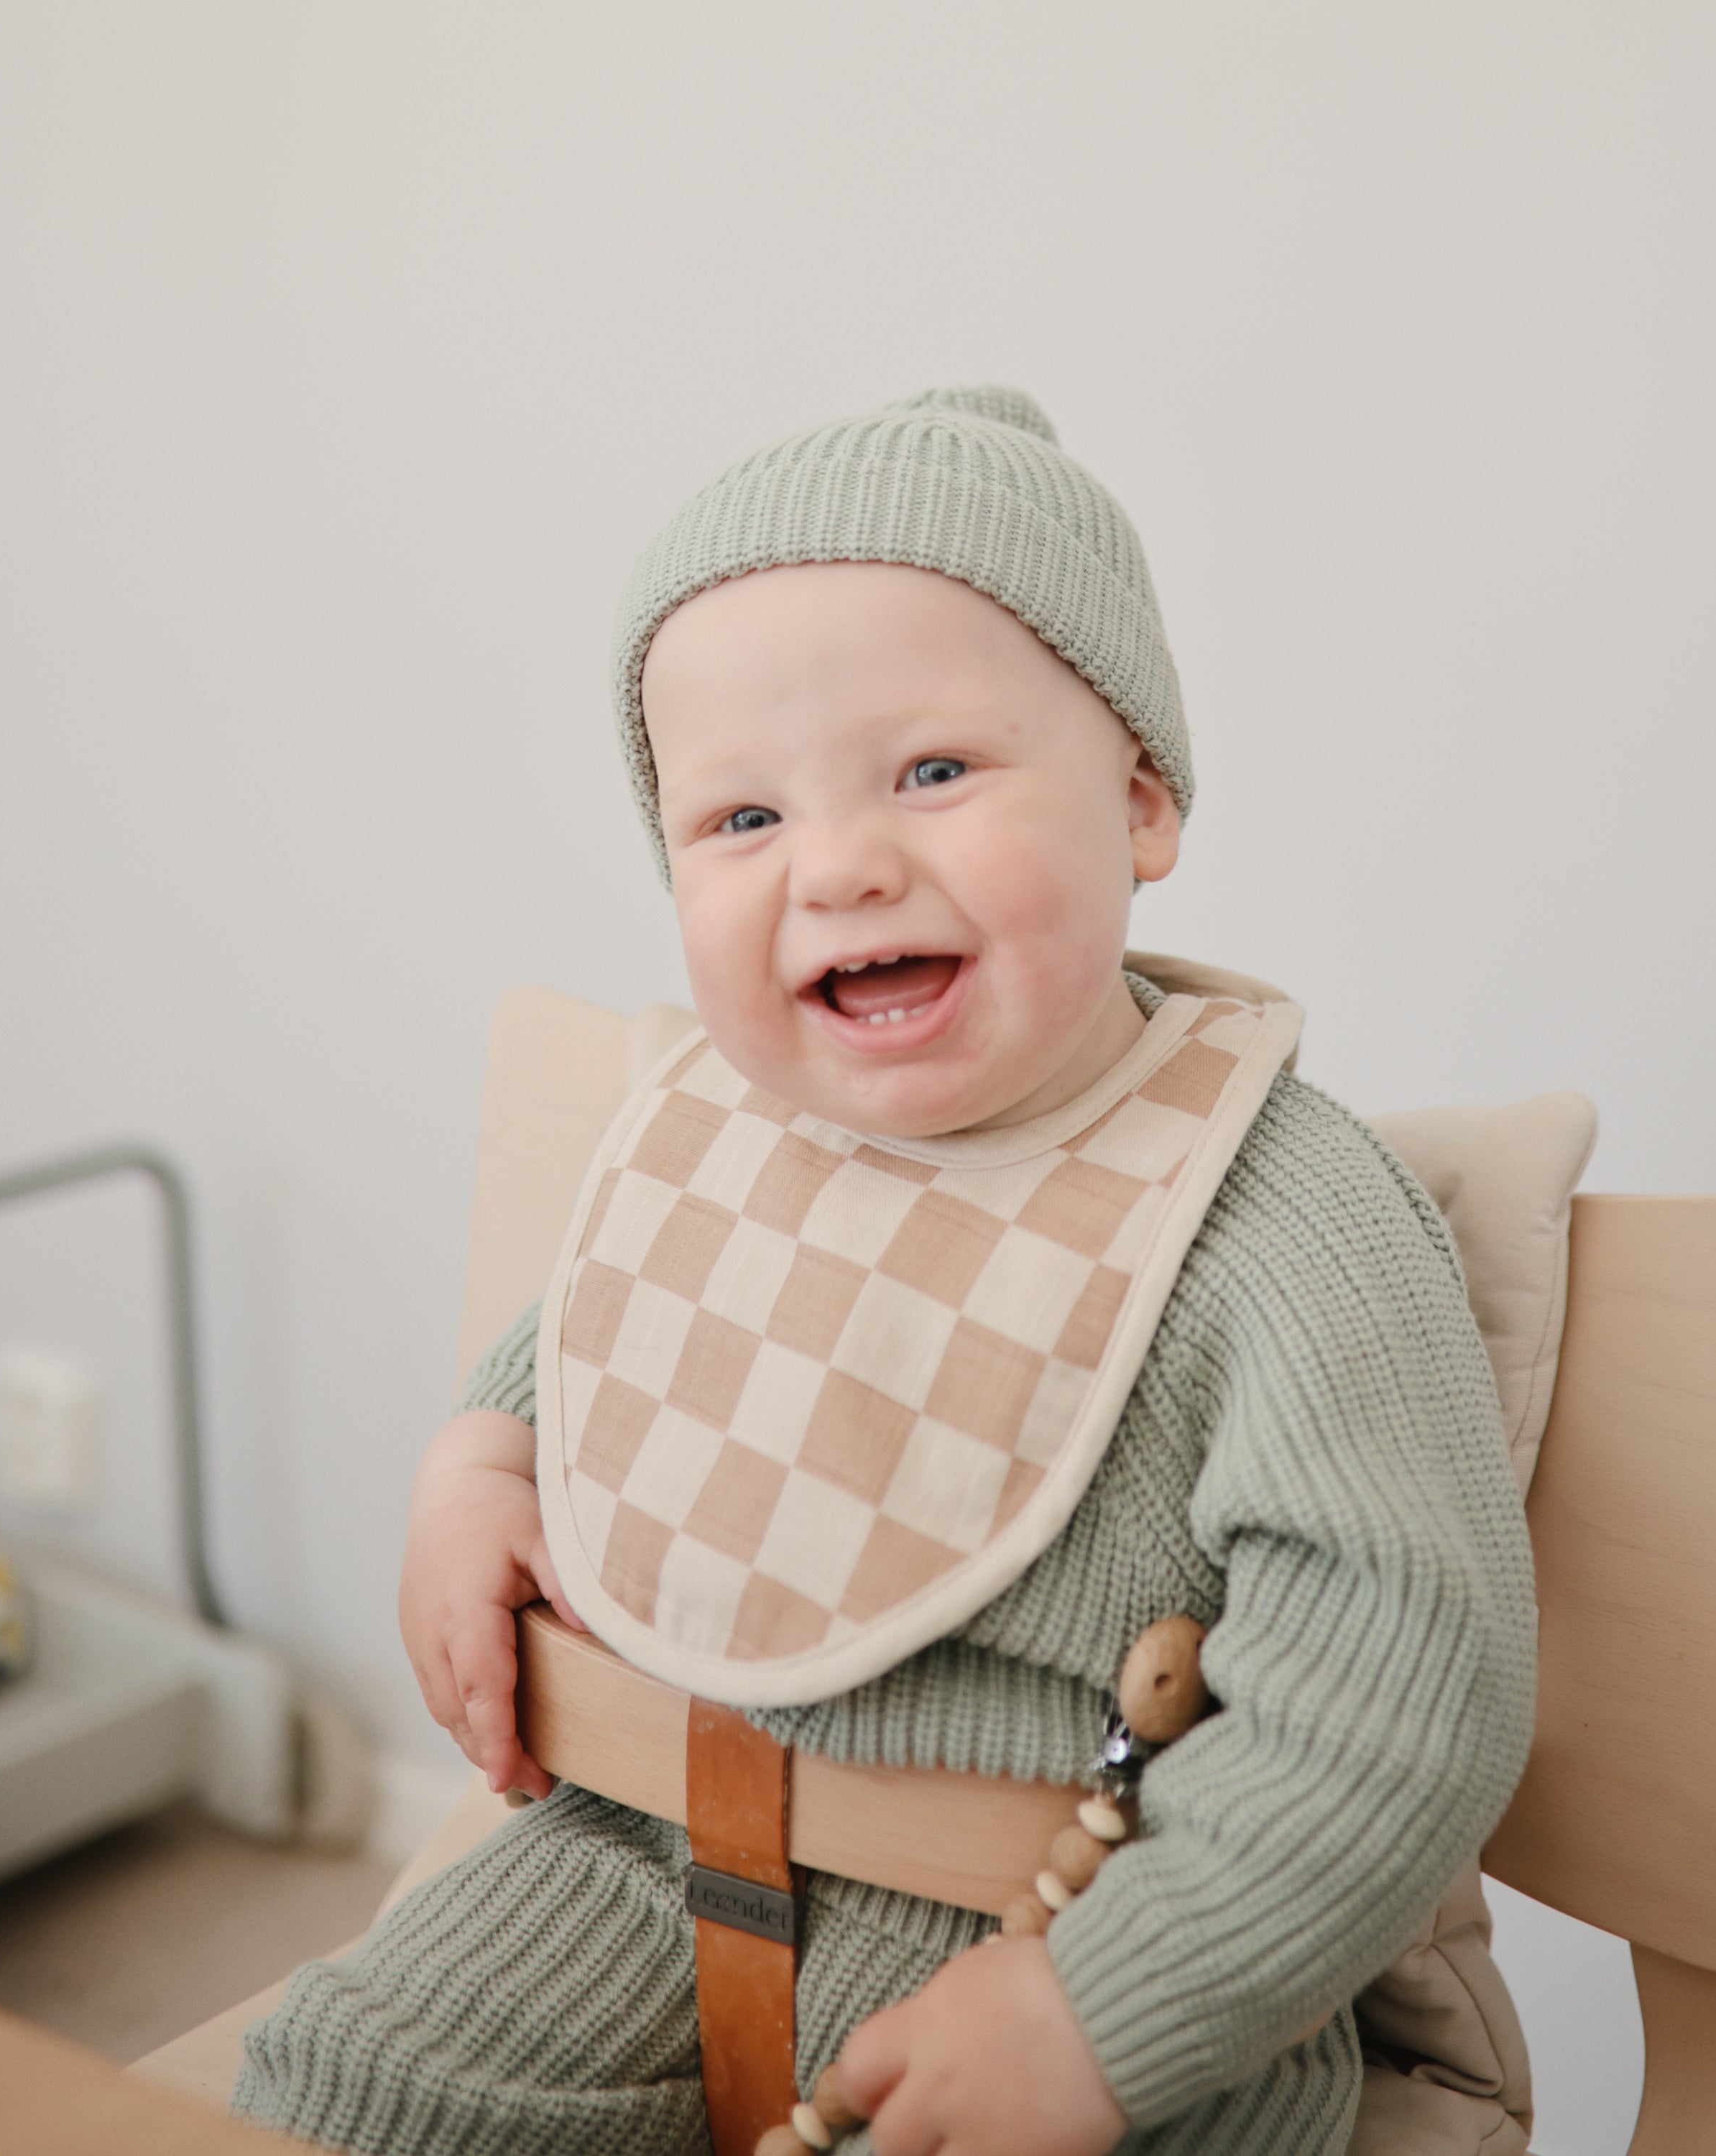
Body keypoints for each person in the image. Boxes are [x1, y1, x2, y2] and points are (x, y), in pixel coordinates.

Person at [235, 385, 1537, 2156]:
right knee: (353, 2080)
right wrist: (481, 1460)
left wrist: (1106, 2017)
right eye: (740, 819)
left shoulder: (1281, 1214)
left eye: (932, 772)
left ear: (1142, 801)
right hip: (649, 1846)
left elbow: (1397, 1698)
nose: (840, 866)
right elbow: (614, 1331)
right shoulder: (732, 1126)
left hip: (1072, 1930)